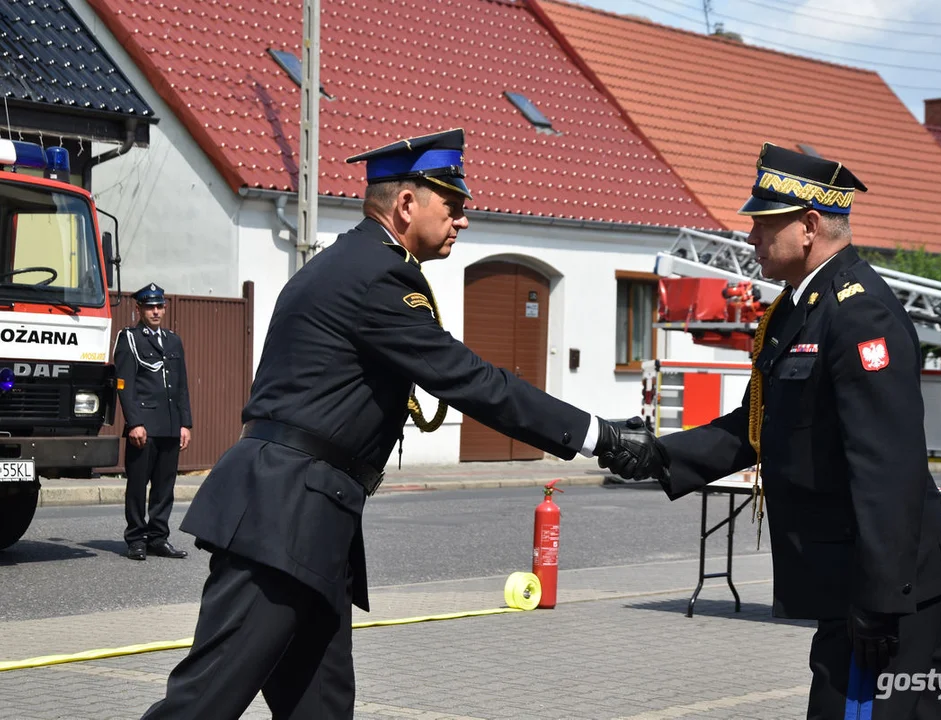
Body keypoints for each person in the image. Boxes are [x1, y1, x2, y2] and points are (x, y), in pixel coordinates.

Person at [141, 128, 659, 719]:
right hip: (283, 518)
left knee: (322, 708)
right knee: (203, 703)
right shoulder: (380, 276)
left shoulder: (347, 262)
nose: (463, 220)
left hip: (308, 517)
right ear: (407, 204)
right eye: (454, 205)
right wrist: (600, 436)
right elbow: (472, 382)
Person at [602, 143, 941, 719]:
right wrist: (654, 456)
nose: (750, 238)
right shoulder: (798, 311)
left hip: (892, 589)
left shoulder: (858, 312)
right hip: (857, 582)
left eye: (763, 223)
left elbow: (887, 467)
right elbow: (754, 426)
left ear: (809, 225)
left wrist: (880, 599)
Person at [113, 282, 193, 561]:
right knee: (137, 485)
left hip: (170, 425)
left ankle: (158, 538)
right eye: (150, 307)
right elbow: (125, 385)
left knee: (164, 487)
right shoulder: (130, 339)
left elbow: (181, 385)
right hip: (144, 427)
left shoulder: (173, 340)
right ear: (139, 309)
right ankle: (136, 539)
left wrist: (185, 424)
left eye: (160, 306)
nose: (156, 311)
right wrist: (134, 422)